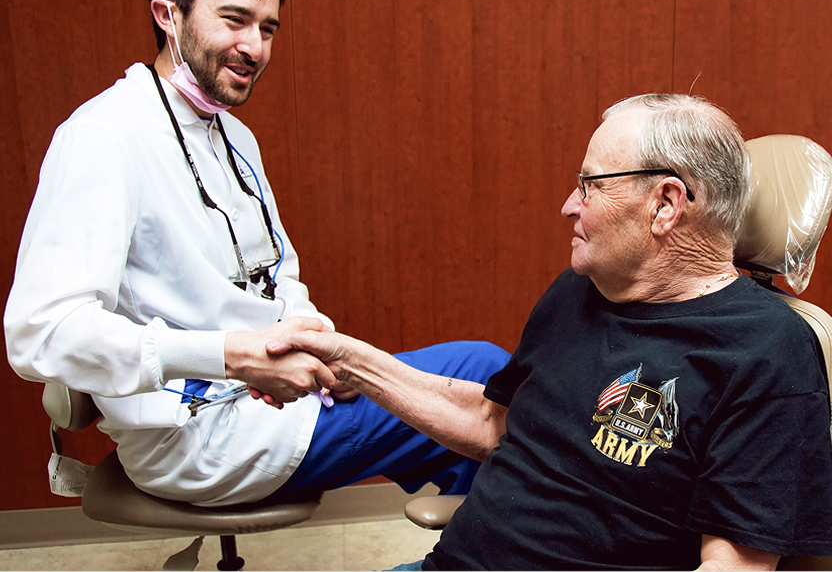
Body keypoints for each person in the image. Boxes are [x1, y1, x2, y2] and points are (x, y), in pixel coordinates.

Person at [4, 0, 508, 507]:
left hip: (266, 399)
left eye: (267, 28)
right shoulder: (102, 137)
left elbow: (276, 274)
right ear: (168, 16)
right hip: (196, 436)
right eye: (234, 20)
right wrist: (234, 357)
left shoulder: (233, 134)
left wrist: (315, 345)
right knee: (483, 378)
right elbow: (39, 333)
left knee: (474, 403)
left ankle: (470, 549)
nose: (256, 47)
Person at [272, 94, 832, 570]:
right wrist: (349, 360)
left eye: (590, 186)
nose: (570, 206)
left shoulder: (768, 352)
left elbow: (732, 564)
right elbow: (493, 424)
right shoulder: (584, 288)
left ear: (665, 204)